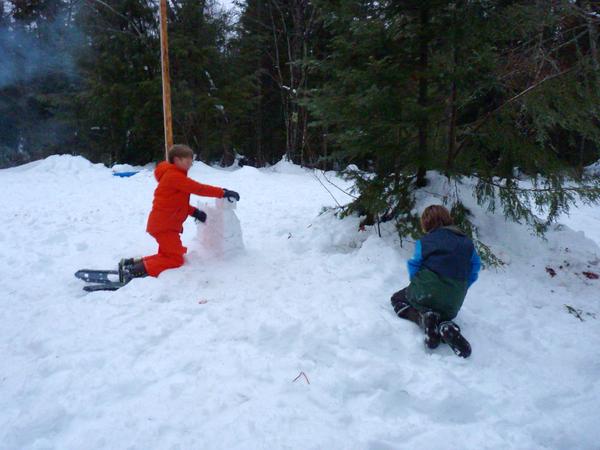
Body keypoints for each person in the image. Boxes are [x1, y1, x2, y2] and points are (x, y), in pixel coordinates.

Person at [119, 144, 240, 282]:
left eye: (191, 162)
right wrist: (222, 192)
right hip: (164, 226)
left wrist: (194, 212)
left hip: (164, 224)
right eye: (187, 161)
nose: (190, 165)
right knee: (175, 259)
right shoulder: (174, 177)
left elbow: (176, 203)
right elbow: (198, 188)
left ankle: (130, 264)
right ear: (177, 160)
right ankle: (134, 272)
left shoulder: (174, 175)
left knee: (166, 254)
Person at [390, 205, 481, 358]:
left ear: (426, 223)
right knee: (443, 313)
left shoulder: (425, 241)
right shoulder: (467, 243)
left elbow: (414, 265)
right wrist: (461, 287)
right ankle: (446, 326)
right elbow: (475, 268)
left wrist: (417, 284)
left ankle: (422, 318)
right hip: (454, 299)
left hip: (426, 290)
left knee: (397, 299)